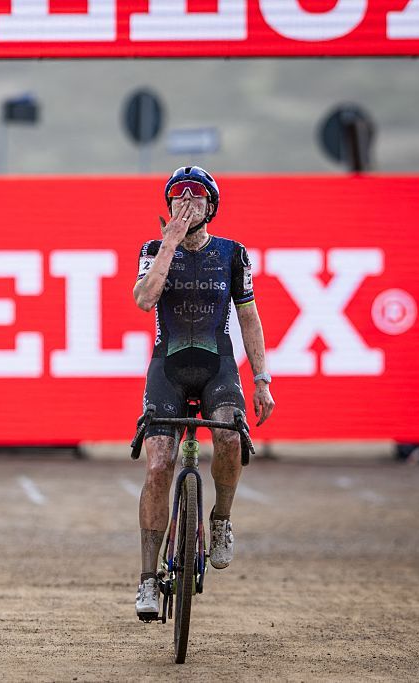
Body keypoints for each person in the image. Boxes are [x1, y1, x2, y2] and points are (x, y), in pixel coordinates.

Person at [131, 166, 275, 620]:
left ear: (212, 207)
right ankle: (148, 579)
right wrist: (170, 243)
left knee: (230, 436)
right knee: (158, 465)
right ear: (168, 204)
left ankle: (221, 520)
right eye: (179, 196)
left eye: (196, 197)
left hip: (218, 366)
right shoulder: (153, 249)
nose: (187, 203)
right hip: (168, 367)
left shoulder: (233, 253)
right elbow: (144, 299)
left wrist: (262, 379)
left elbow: (249, 318)